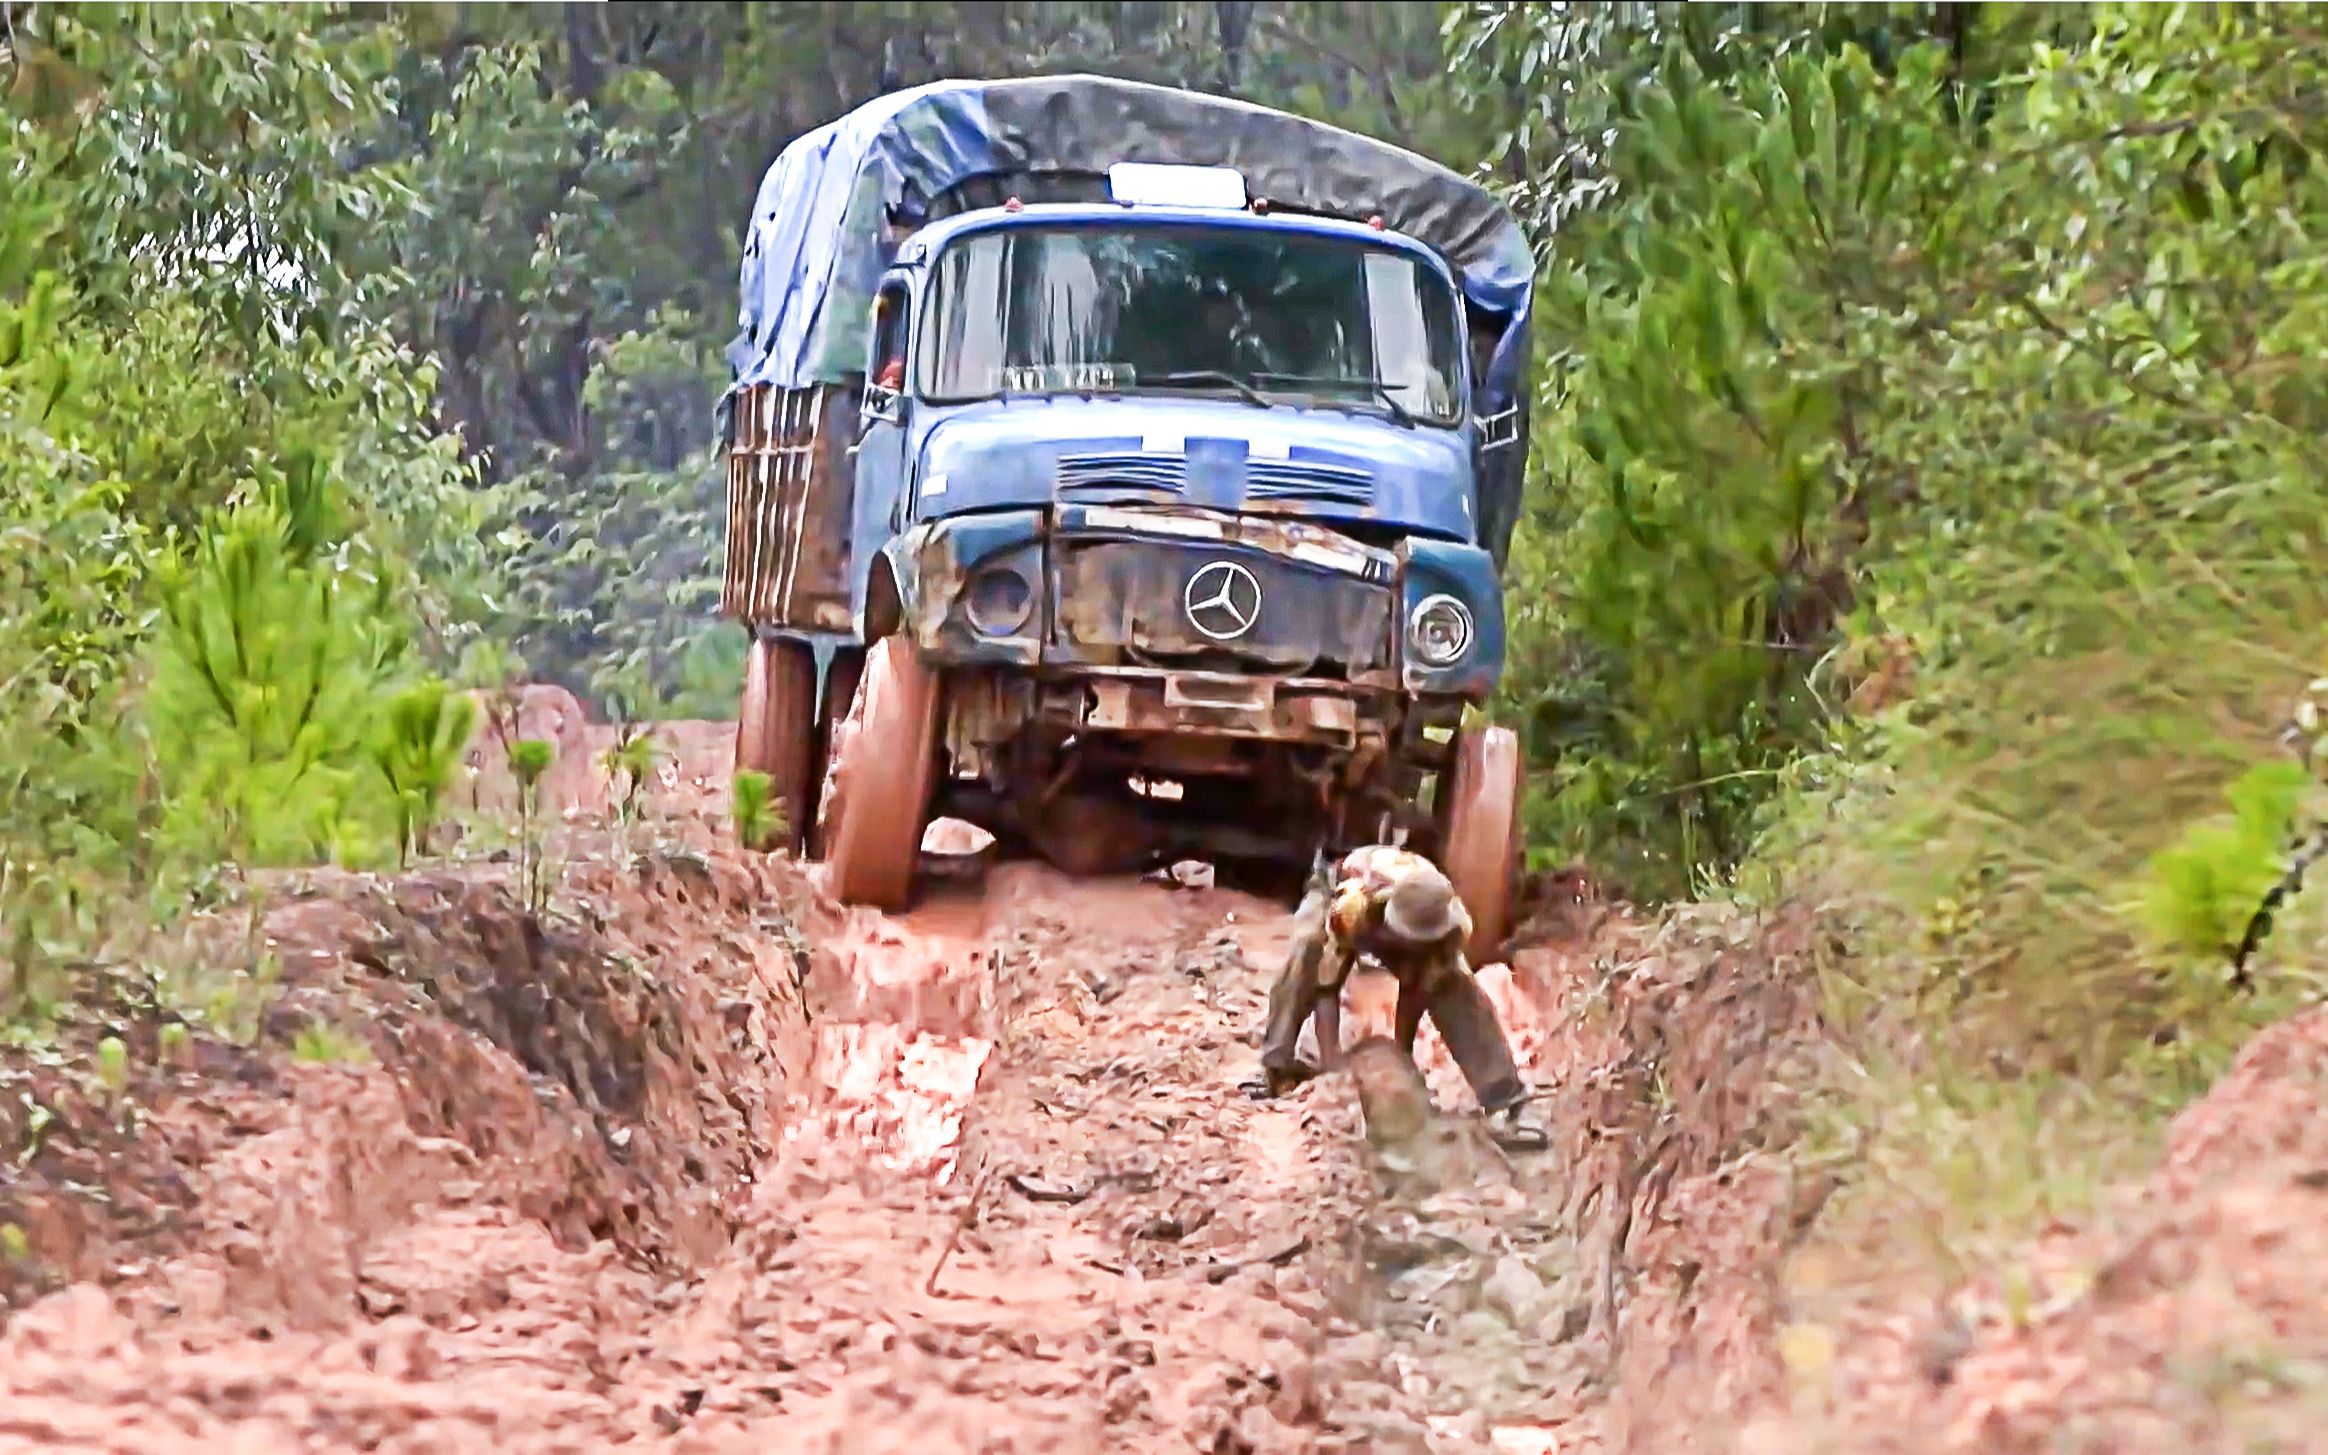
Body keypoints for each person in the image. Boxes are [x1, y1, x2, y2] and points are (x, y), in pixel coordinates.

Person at [1252, 845, 1548, 1152]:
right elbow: (1327, 986)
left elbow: (1417, 989)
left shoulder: (1454, 924)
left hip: (1408, 918)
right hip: (1338, 894)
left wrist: (1401, 1063)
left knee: (1456, 986)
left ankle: (1507, 1101)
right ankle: (1275, 1066)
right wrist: (1334, 1071)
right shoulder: (1355, 907)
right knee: (1307, 949)